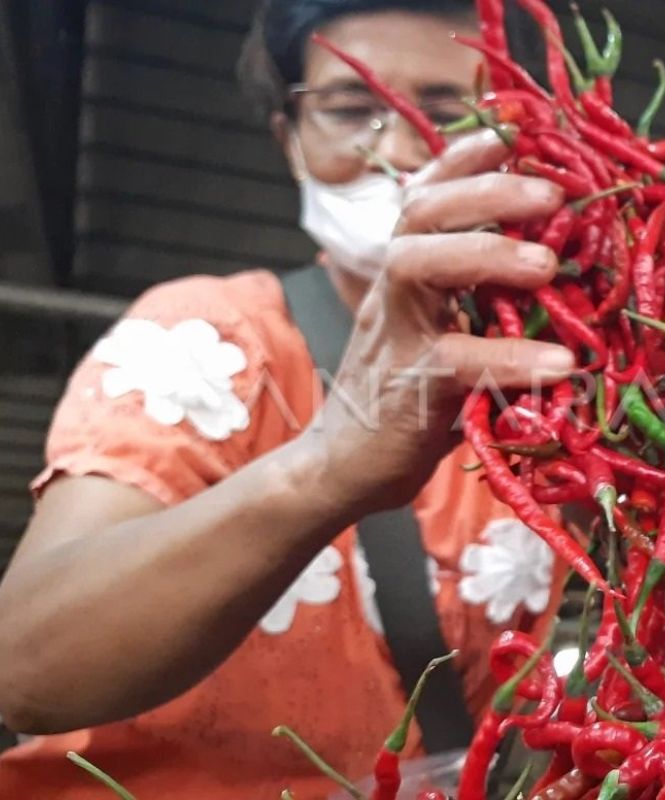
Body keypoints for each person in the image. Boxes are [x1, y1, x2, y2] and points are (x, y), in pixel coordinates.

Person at [0, 1, 586, 796]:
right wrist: (331, 462)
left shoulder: (551, 386)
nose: (399, 147)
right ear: (290, 139)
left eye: (448, 112)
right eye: (351, 109)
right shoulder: (210, 334)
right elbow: (24, 665)